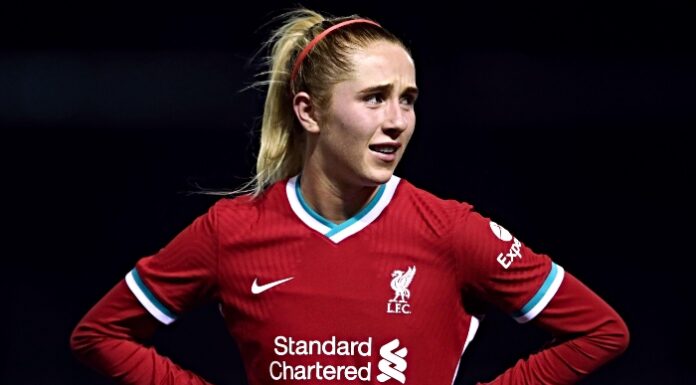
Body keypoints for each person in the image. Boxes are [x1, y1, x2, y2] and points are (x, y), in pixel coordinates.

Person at [70, 8, 629, 385]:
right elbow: (99, 335)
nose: (397, 122)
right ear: (309, 111)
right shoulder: (231, 231)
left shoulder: (449, 230)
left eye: (407, 100)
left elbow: (601, 331)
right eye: (374, 98)